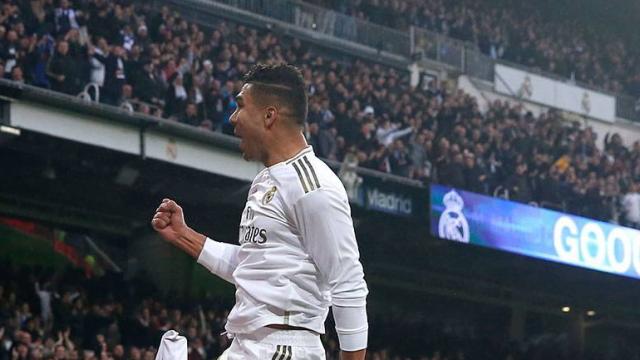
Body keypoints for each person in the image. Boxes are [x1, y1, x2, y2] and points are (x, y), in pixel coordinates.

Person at [151, 64, 368, 360]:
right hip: (247, 346)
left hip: (283, 348)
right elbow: (254, 265)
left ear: (269, 116)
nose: (233, 118)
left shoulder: (314, 187)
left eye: (240, 106)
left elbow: (348, 284)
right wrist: (184, 236)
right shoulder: (264, 180)